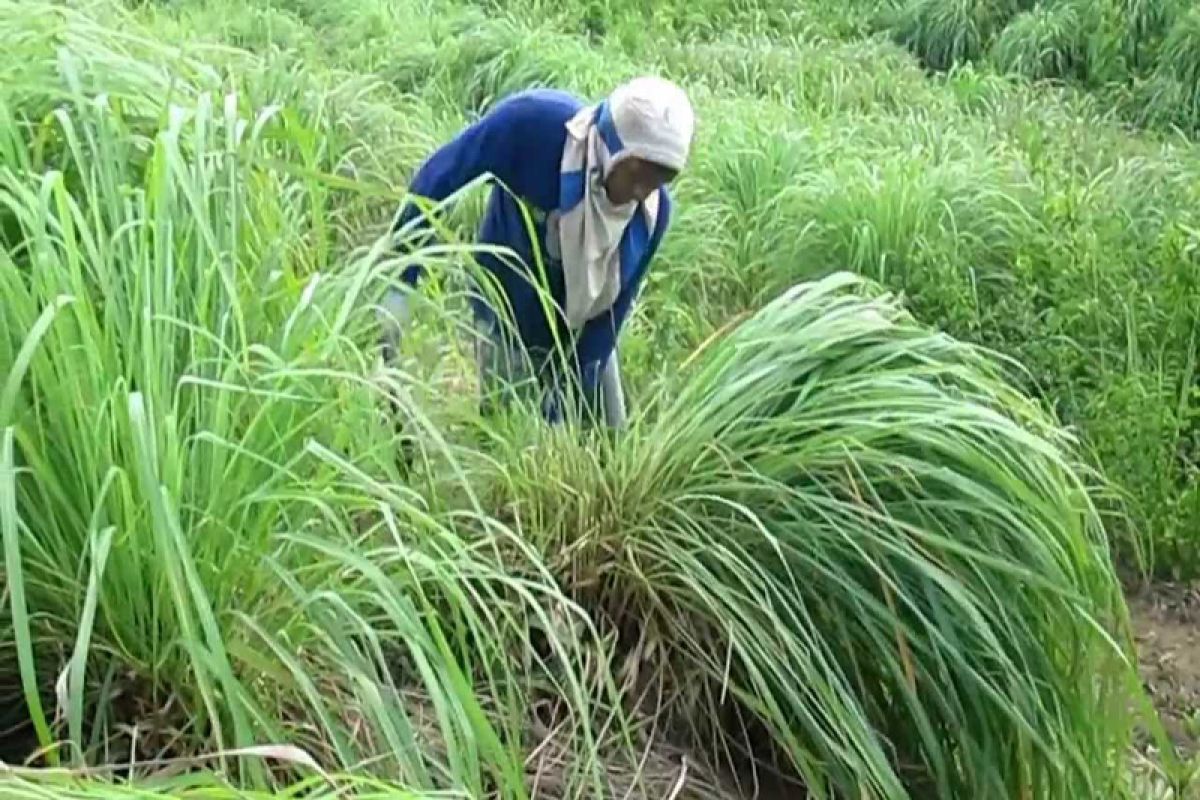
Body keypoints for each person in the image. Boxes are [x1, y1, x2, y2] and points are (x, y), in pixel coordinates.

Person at [378, 76, 695, 429]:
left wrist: (564, 401)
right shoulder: (532, 130)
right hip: (507, 303)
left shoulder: (650, 217)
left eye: (656, 181)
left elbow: (609, 318)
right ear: (611, 145)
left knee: (607, 432)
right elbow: (440, 180)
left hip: (583, 317)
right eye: (636, 174)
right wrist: (400, 280)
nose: (640, 193)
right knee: (509, 426)